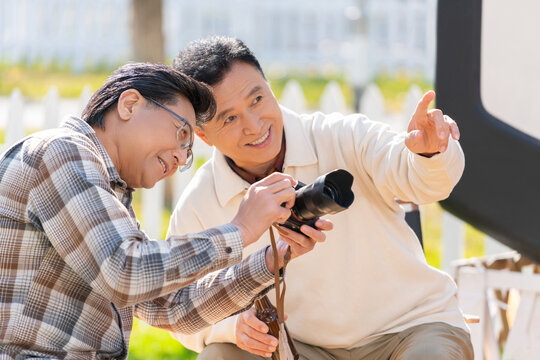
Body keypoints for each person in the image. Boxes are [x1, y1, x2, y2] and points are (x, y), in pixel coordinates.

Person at [168, 36, 474, 360]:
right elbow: (177, 306)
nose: (254, 125)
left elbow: (418, 179)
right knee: (220, 355)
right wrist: (230, 329)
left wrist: (429, 152)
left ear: (269, 87)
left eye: (257, 99)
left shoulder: (344, 136)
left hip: (409, 330)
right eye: (229, 118)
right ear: (203, 135)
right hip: (299, 348)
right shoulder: (200, 203)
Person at [0, 63, 327, 359]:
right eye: (182, 134)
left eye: (189, 151)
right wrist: (240, 230)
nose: (182, 158)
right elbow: (125, 272)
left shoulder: (111, 195)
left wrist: (271, 259)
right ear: (129, 105)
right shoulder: (62, 151)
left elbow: (172, 308)